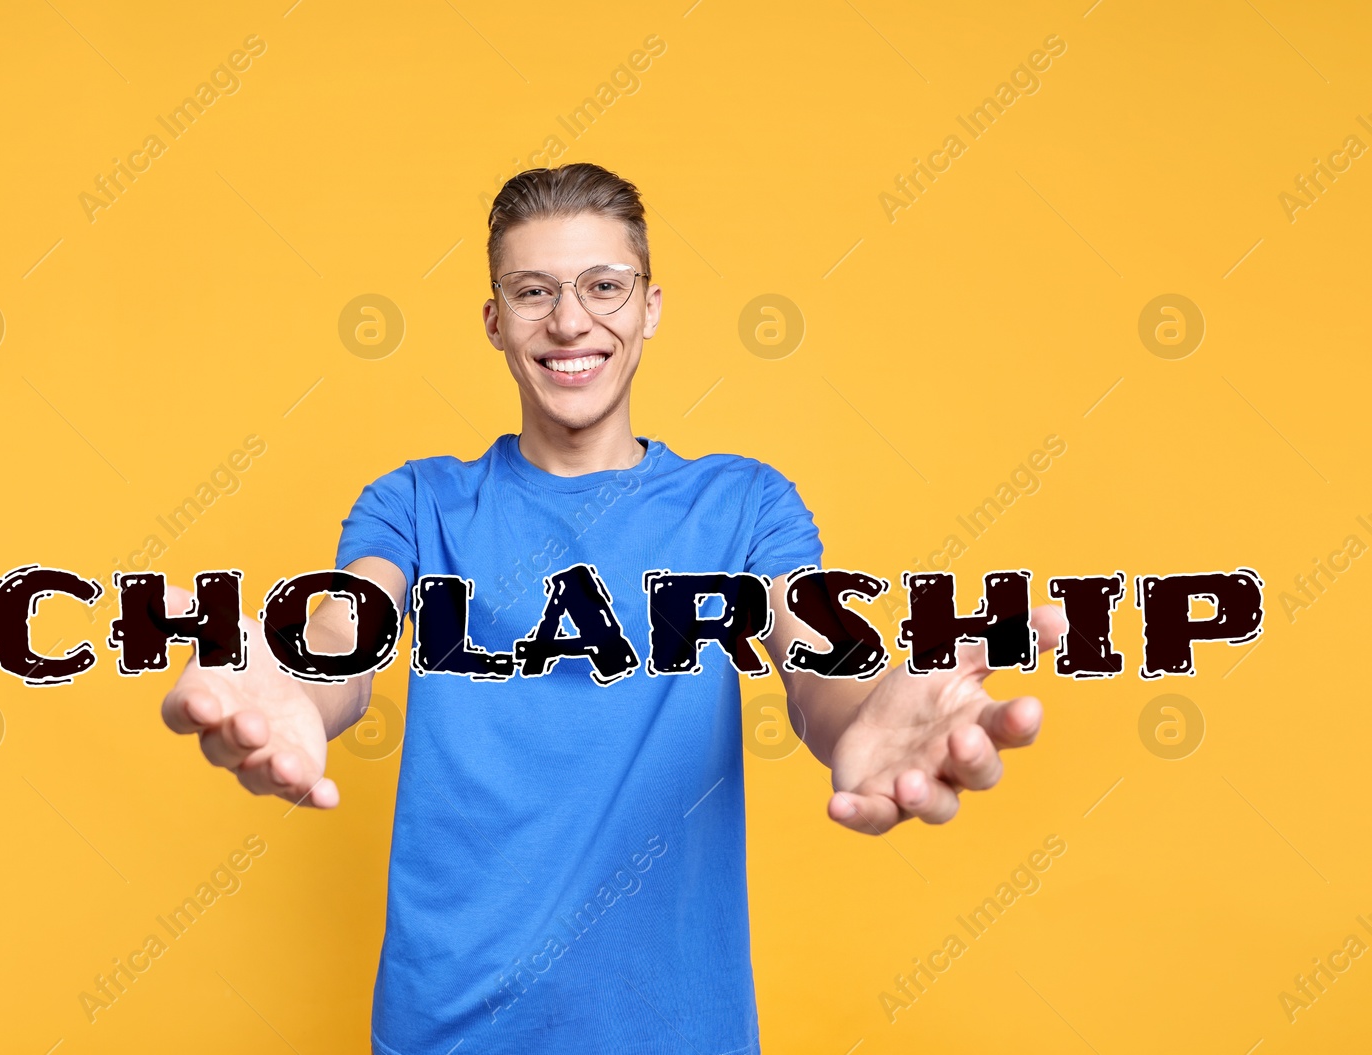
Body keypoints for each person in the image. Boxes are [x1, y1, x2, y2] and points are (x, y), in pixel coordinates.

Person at [158, 162, 1066, 1054]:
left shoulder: (743, 505)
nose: (569, 321)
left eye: (603, 285)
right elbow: (342, 635)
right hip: (446, 1026)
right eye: (533, 291)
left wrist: (868, 711)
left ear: (650, 307)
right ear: (494, 320)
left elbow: (813, 661)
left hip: (677, 1029)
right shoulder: (416, 504)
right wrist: (288, 682)